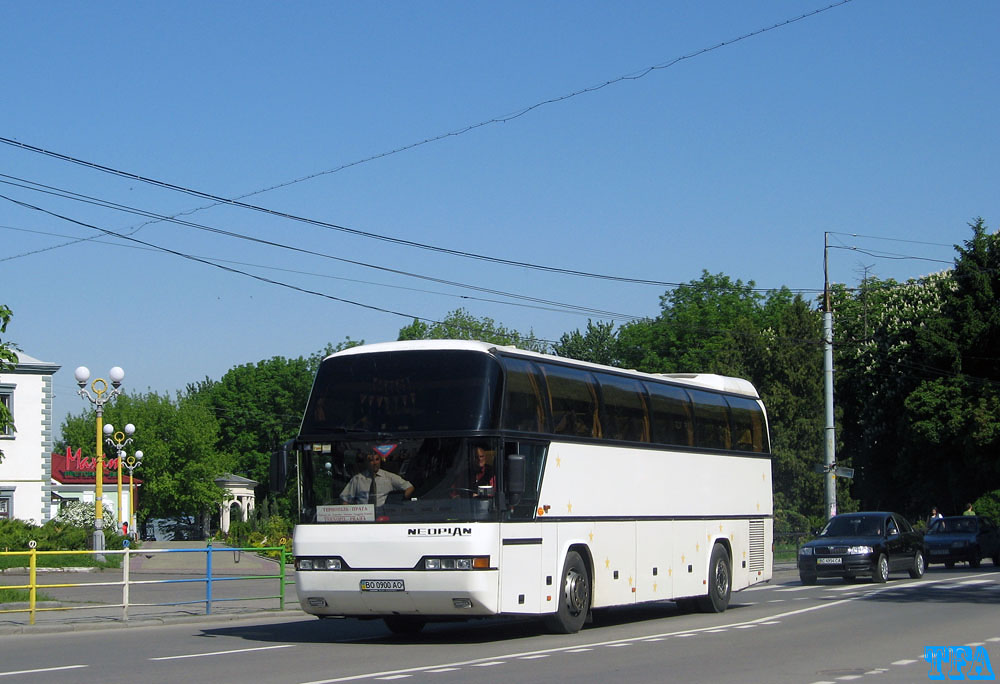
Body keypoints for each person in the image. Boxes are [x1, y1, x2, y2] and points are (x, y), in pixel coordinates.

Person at [340, 452, 414, 506]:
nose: (375, 463)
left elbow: (410, 487)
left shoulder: (389, 477)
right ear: (366, 462)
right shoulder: (357, 479)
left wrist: (399, 501)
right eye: (371, 460)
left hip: (385, 515)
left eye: (377, 459)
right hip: (364, 517)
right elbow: (345, 500)